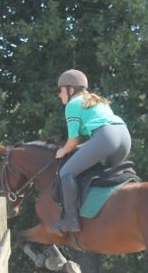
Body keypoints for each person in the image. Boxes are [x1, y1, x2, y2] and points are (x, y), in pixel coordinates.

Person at [50, 69, 131, 234]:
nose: (59, 95)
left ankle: (70, 220)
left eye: (60, 90)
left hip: (106, 137)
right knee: (103, 175)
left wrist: (61, 152)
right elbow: (95, 139)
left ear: (70, 89)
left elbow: (72, 142)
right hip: (124, 136)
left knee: (66, 173)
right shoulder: (97, 100)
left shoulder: (73, 104)